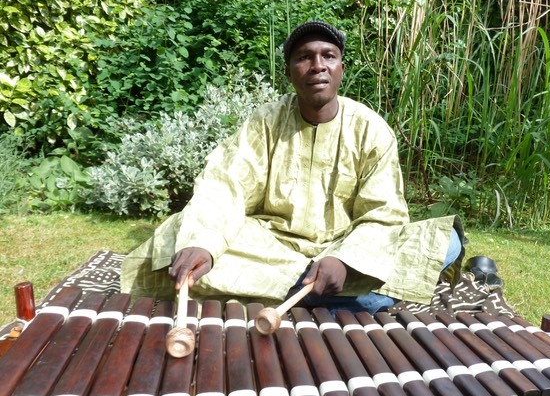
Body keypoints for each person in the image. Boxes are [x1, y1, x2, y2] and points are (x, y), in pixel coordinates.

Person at [120, 20, 464, 314]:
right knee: (177, 237)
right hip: (272, 247)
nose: (318, 66)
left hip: (345, 247)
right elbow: (225, 186)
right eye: (304, 57)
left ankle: (298, 295)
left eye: (328, 56)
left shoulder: (370, 129)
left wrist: (345, 260)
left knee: (445, 241)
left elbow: (383, 214)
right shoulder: (266, 122)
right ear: (289, 72)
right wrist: (206, 244)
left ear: (341, 68)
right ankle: (344, 301)